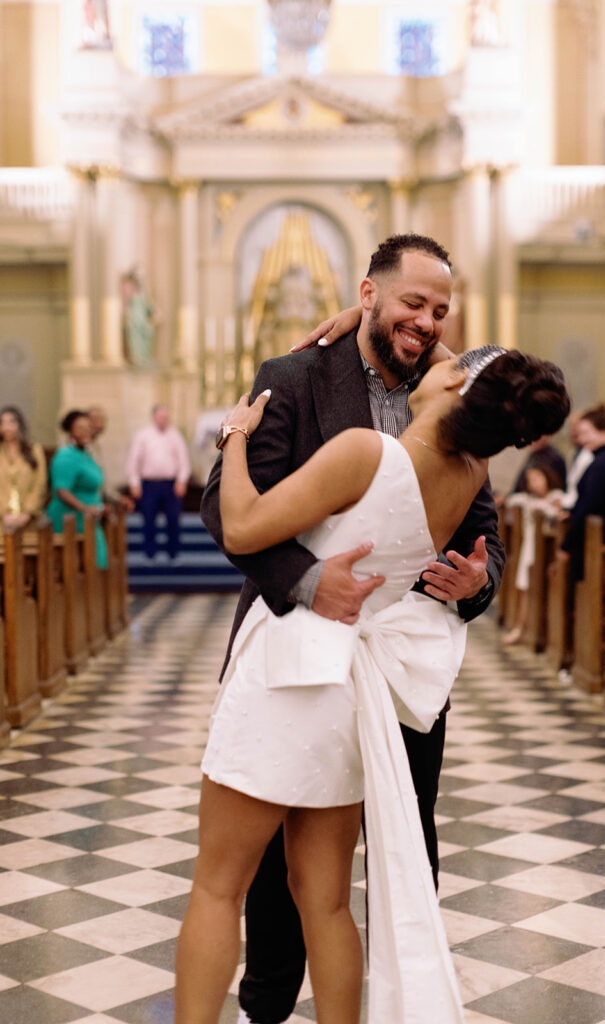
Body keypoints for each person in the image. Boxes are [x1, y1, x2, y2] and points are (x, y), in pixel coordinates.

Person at [177, 345, 570, 1024]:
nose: (435, 356)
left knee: (218, 887)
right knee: (324, 898)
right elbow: (479, 376)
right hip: (352, 689)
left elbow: (241, 525)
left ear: (454, 385)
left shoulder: (368, 451)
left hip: (289, 670)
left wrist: (233, 437)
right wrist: (353, 321)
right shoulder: (468, 474)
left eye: (449, 362)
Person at [200, 235, 506, 1024]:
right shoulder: (296, 376)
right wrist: (307, 581)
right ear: (367, 294)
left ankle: (408, 1000)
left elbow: (485, 533)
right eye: (412, 302)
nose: (428, 322)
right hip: (306, 644)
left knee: (406, 839)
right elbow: (222, 507)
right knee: (278, 869)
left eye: (440, 310)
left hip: (404, 665)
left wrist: (480, 579)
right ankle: (267, 1003)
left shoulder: (460, 396)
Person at [559, 403, 605, 581]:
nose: (582, 440)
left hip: (600, 540)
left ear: (604, 431)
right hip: (603, 534)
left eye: (586, 433)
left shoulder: (604, 463)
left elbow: (589, 504)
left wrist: (566, 545)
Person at [503, 464, 565, 644]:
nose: (533, 484)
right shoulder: (526, 499)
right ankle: (521, 627)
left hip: (549, 548)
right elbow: (511, 501)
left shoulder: (556, 496)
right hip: (530, 546)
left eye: (537, 478)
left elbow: (557, 512)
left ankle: (543, 633)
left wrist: (545, 507)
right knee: (525, 588)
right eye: (530, 480)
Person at [127, 404, 190, 561]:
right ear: (154, 417)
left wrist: (182, 481)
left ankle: (173, 553)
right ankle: (149, 553)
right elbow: (134, 461)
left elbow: (183, 461)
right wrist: (134, 482)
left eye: (166, 417)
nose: (163, 420)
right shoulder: (143, 435)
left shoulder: (175, 435)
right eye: (160, 417)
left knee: (173, 519)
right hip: (149, 484)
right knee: (148, 519)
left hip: (170, 484)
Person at [46, 410, 107, 567]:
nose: (85, 431)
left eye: (88, 427)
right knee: (79, 567)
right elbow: (61, 490)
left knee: (97, 561)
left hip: (88, 519)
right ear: (70, 431)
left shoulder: (85, 454)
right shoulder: (65, 456)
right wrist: (85, 508)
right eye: (80, 428)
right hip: (71, 520)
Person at [0, 406, 47, 528]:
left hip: (28, 518)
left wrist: (28, 512)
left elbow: (40, 483)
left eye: (11, 422)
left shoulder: (34, 450)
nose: (6, 427)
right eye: (2, 423)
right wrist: (3, 513)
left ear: (20, 424)